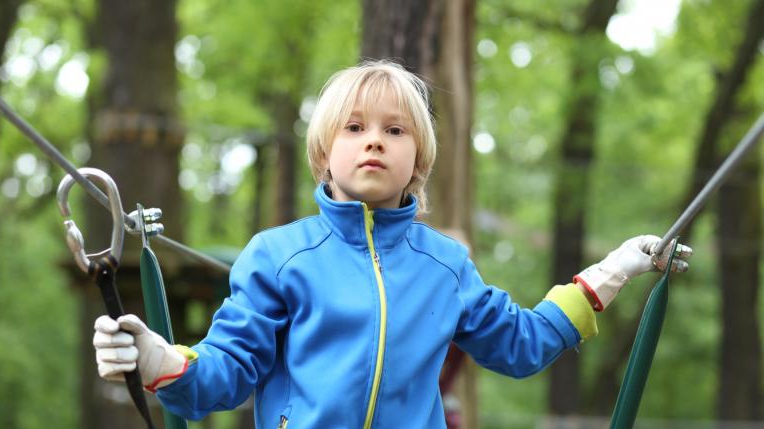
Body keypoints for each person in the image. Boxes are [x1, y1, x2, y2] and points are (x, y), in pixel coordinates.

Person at [92, 60, 692, 428]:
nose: (373, 141)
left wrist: (613, 271)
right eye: (355, 128)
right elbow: (227, 371)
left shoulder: (446, 265)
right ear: (326, 157)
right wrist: (159, 360)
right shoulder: (277, 256)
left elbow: (521, 343)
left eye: (394, 130)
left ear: (418, 162)